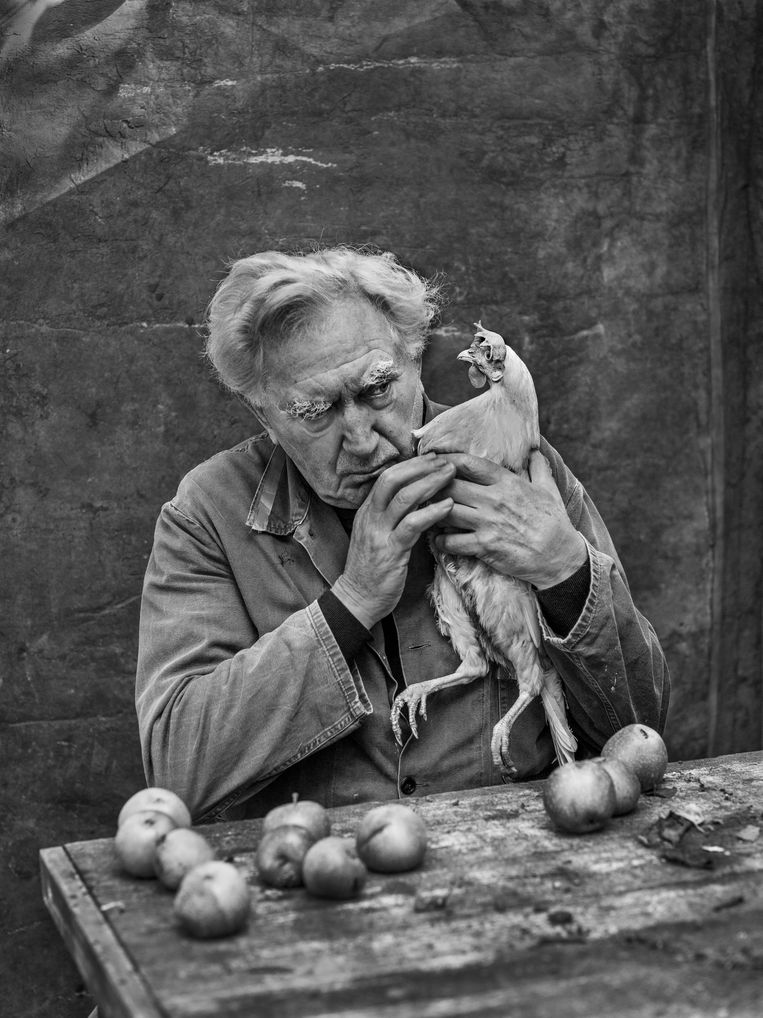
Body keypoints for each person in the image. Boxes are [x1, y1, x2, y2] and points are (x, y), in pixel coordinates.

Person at [135, 247, 669, 822]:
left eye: (377, 389)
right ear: (264, 415)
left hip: (516, 860)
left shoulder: (518, 469)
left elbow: (639, 730)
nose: (362, 439)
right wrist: (353, 599)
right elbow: (178, 768)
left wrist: (564, 569)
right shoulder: (206, 514)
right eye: (316, 411)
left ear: (415, 361)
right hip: (317, 884)